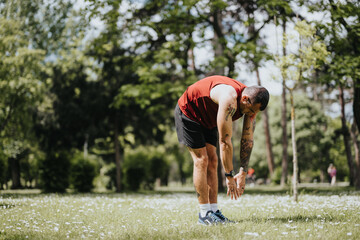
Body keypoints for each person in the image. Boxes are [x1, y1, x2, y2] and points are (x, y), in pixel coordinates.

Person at [174, 75, 269, 225]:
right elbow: (225, 141)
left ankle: (214, 212)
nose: (250, 114)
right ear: (245, 99)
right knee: (202, 160)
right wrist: (229, 175)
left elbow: (247, 139)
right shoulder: (229, 98)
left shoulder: (251, 103)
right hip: (189, 112)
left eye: (254, 112)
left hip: (208, 118)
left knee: (213, 161)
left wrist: (243, 172)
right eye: (250, 110)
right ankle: (204, 214)